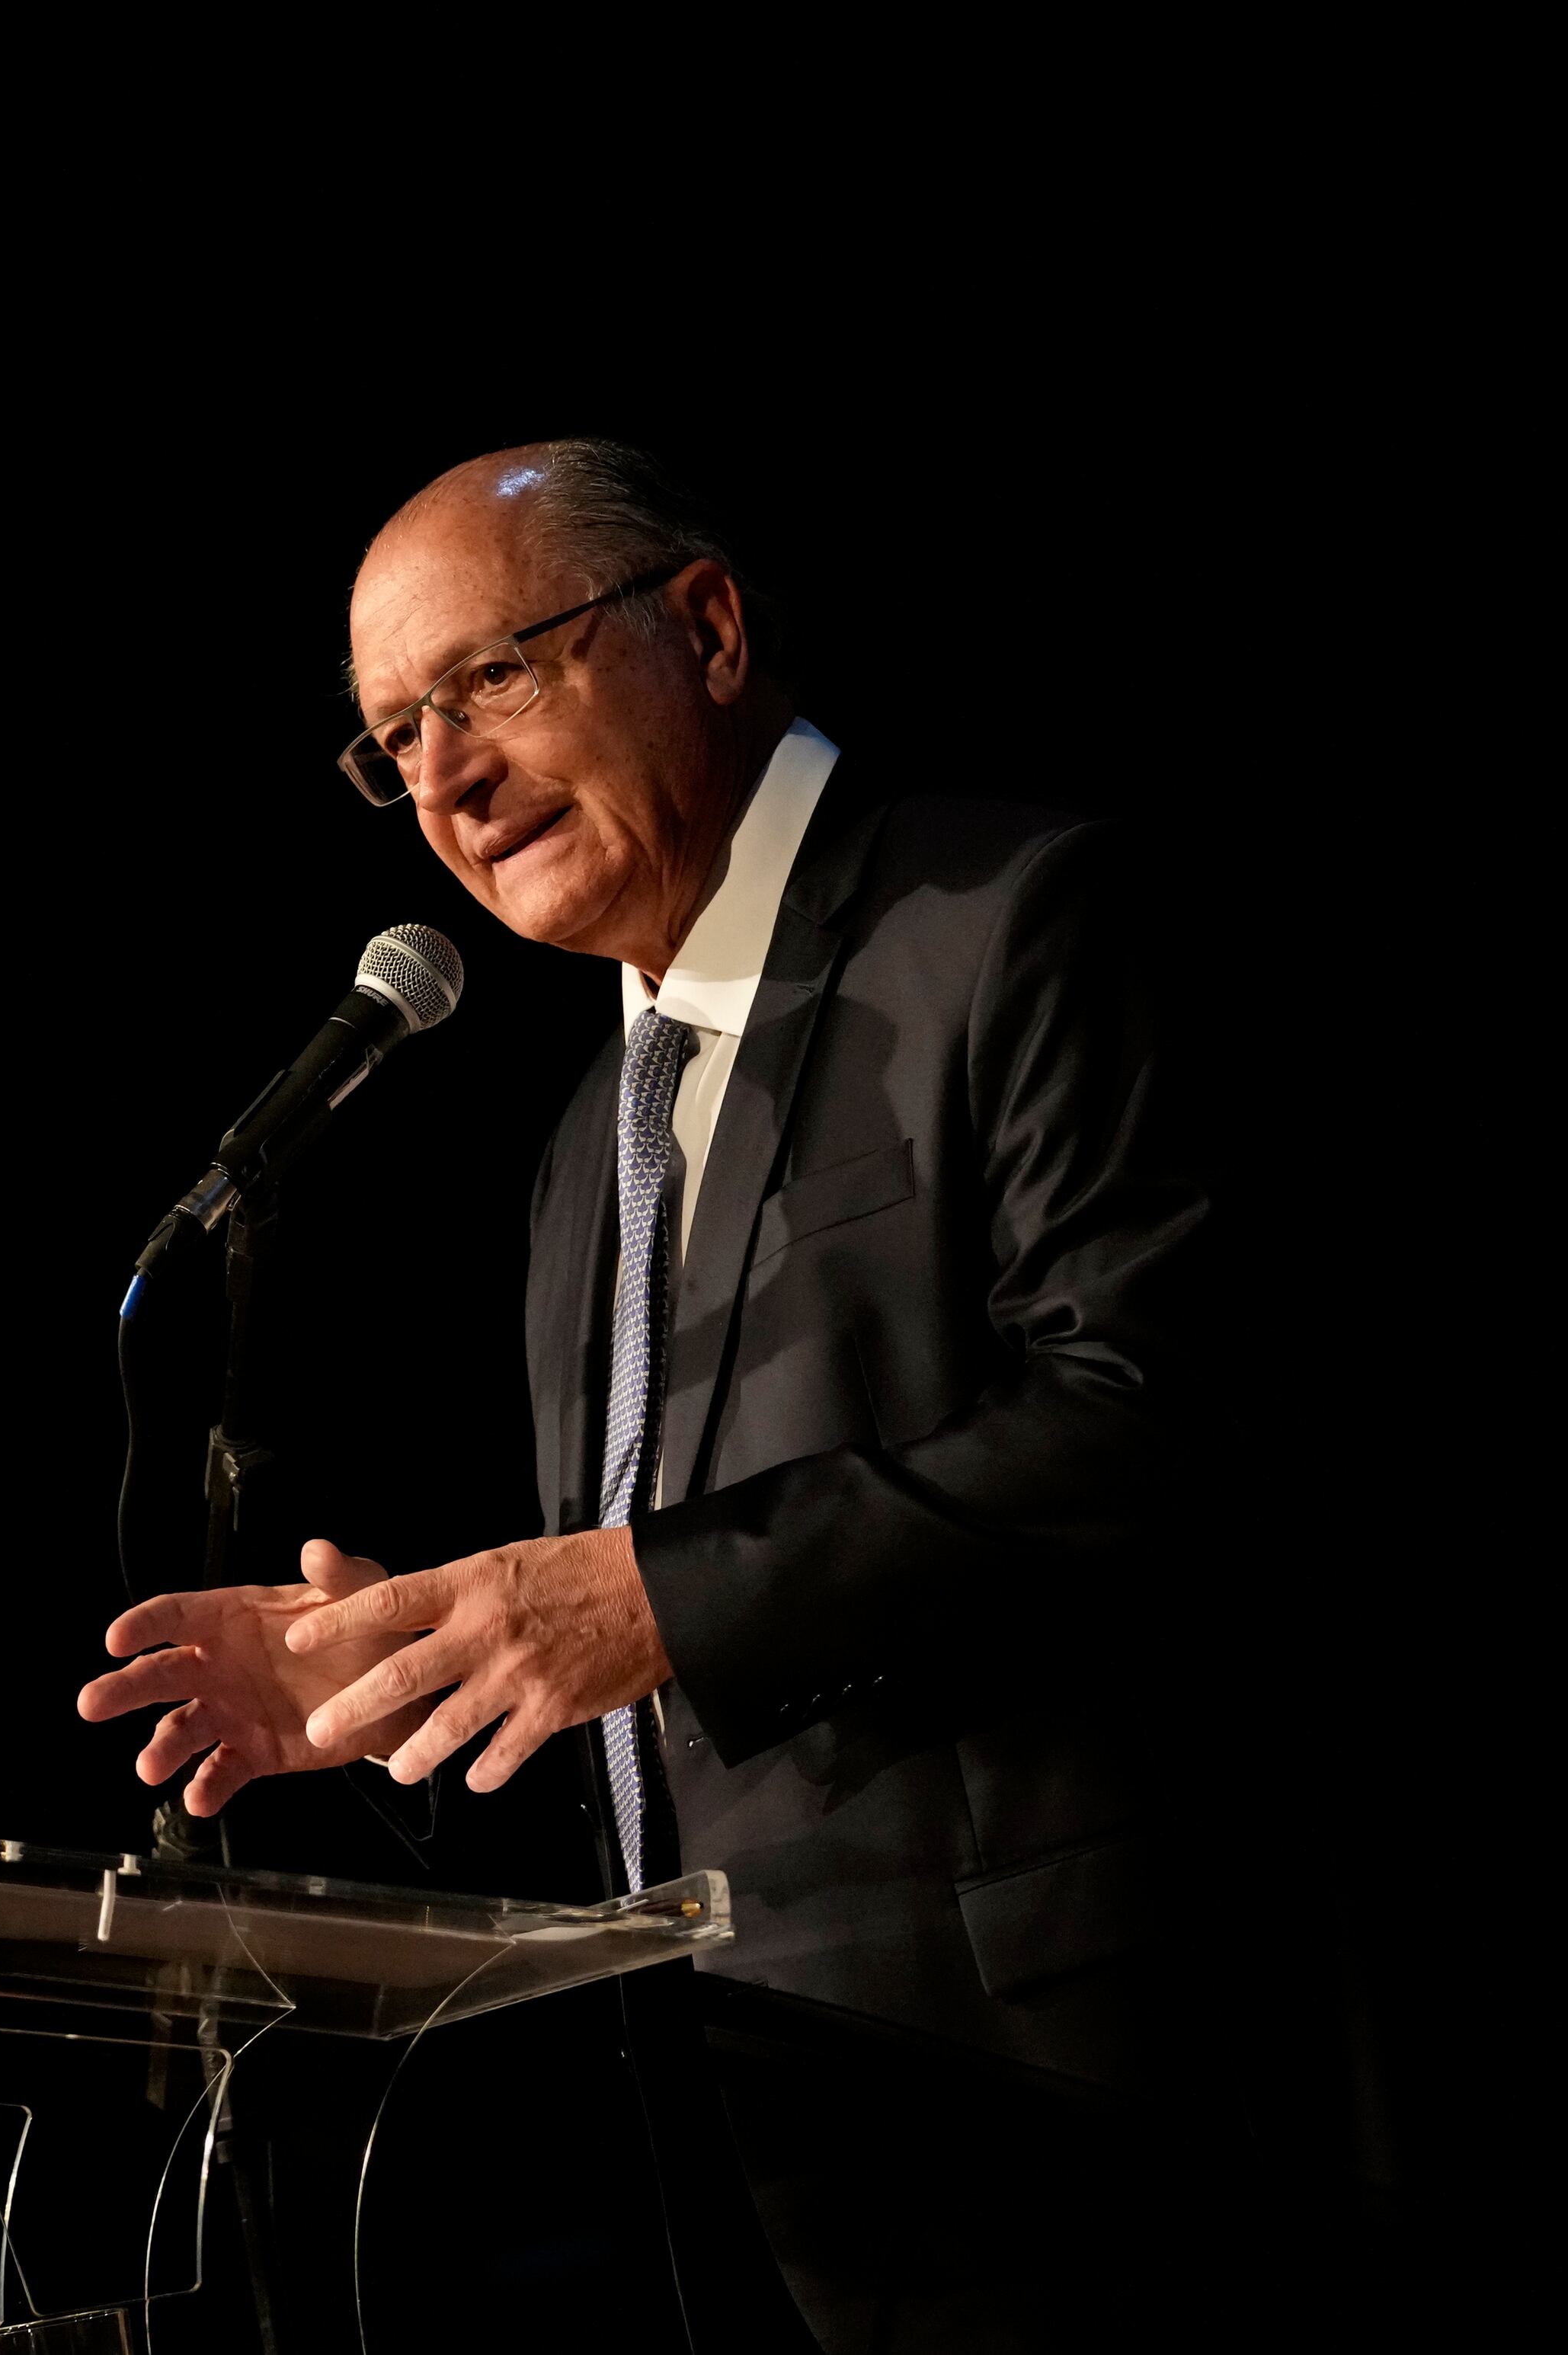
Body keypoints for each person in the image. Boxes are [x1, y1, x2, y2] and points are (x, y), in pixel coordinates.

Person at [76, 440, 1217, 2351]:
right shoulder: (579, 1157)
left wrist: (644, 1594)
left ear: (704, 627)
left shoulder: (1018, 915)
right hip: (742, 2151)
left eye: (487, 677)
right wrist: (425, 1667)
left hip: (1096, 2106)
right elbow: (669, 1682)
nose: (442, 776)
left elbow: (1155, 1417)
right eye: (394, 736)